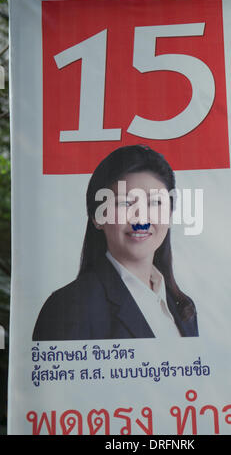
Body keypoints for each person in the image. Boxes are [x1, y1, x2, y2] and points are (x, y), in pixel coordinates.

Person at [32, 145, 198, 340]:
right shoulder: (69, 307)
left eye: (154, 202)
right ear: (97, 216)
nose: (141, 218)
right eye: (125, 203)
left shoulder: (183, 308)